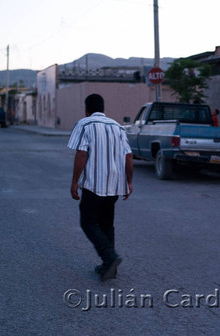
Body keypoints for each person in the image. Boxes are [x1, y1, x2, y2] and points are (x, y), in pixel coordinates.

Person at [67, 94, 134, 281]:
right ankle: (109, 266)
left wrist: (74, 182)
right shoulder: (118, 127)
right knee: (106, 224)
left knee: (87, 222)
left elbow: (81, 154)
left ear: (86, 109)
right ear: (103, 108)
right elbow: (128, 157)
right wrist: (129, 182)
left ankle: (109, 256)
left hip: (94, 185)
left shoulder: (85, 124)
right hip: (114, 184)